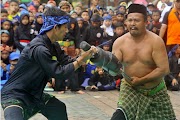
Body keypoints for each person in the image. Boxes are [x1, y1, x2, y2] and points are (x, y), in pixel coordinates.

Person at [1, 7, 95, 120]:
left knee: (58, 108)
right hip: (15, 94)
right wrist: (80, 61)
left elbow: (68, 62)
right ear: (56, 27)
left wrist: (84, 59)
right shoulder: (39, 48)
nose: (67, 31)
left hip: (35, 93)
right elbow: (59, 73)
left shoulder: (53, 44)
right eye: (65, 27)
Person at [87, 4, 176, 120]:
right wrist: (100, 58)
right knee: (119, 117)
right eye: (130, 20)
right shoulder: (120, 42)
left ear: (146, 22)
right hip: (130, 89)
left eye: (137, 20)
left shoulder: (156, 41)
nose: (133, 23)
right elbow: (114, 69)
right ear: (126, 22)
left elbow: (164, 69)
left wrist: (142, 80)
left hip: (155, 90)